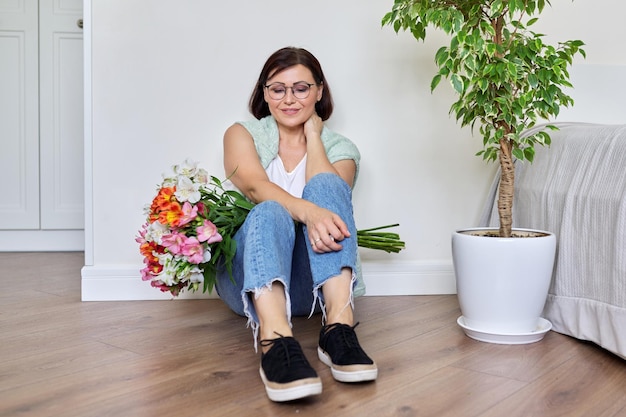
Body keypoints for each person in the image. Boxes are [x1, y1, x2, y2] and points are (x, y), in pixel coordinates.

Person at [215, 46, 377, 403]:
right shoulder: (242, 134)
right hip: (248, 280)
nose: (289, 99)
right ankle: (274, 340)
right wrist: (307, 212)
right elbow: (256, 187)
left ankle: (338, 327)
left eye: (301, 88)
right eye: (277, 88)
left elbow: (332, 196)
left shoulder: (342, 148)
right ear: (264, 93)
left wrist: (314, 137)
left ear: (319, 91)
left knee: (328, 185)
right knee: (269, 209)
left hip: (311, 288)